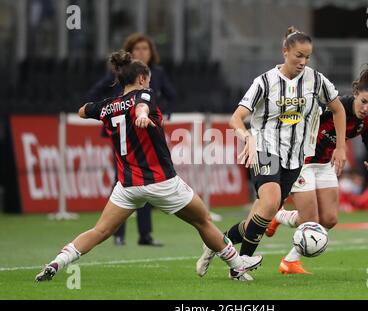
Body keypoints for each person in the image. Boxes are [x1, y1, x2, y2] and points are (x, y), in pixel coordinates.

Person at [35, 51, 262, 282]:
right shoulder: (144, 94)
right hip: (161, 182)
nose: (150, 83)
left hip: (127, 186)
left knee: (100, 231)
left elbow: (83, 111)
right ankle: (236, 265)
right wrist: (142, 115)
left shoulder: (109, 106)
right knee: (203, 220)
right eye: (149, 78)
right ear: (142, 78)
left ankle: (57, 262)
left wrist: (100, 109)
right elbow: (142, 105)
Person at [196, 26, 347, 281]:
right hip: (265, 149)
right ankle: (239, 266)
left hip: (296, 157)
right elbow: (236, 118)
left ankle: (217, 244)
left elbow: (338, 109)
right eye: (298, 55)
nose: (303, 62)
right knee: (268, 203)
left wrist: (341, 147)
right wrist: (248, 139)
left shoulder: (316, 80)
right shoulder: (264, 82)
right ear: (285, 51)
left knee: (262, 216)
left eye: (307, 57)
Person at [265, 62, 368, 274]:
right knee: (311, 220)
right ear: (355, 93)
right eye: (364, 101)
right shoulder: (334, 106)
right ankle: (280, 219)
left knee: (329, 219)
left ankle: (289, 258)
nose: (366, 108)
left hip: (324, 165)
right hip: (301, 162)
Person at [86, 33, 176, 247]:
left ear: (151, 52)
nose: (141, 52)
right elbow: (94, 93)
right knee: (124, 179)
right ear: (130, 52)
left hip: (148, 134)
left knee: (143, 181)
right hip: (125, 135)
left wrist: (163, 113)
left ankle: (145, 235)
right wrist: (108, 109)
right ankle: (117, 233)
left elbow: (171, 95)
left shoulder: (158, 74)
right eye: (137, 49)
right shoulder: (120, 75)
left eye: (145, 48)